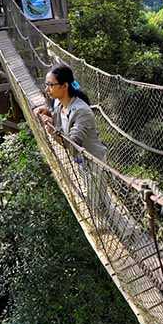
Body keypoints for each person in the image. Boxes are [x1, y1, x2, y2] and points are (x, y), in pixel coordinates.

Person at [34, 65, 110, 223]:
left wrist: (51, 130)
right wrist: (48, 113)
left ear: (64, 86)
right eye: (46, 84)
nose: (47, 89)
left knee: (95, 200)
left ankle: (114, 232)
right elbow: (60, 117)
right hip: (82, 160)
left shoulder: (81, 110)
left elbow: (72, 143)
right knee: (99, 196)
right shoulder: (61, 104)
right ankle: (117, 227)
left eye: (50, 85)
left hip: (94, 160)